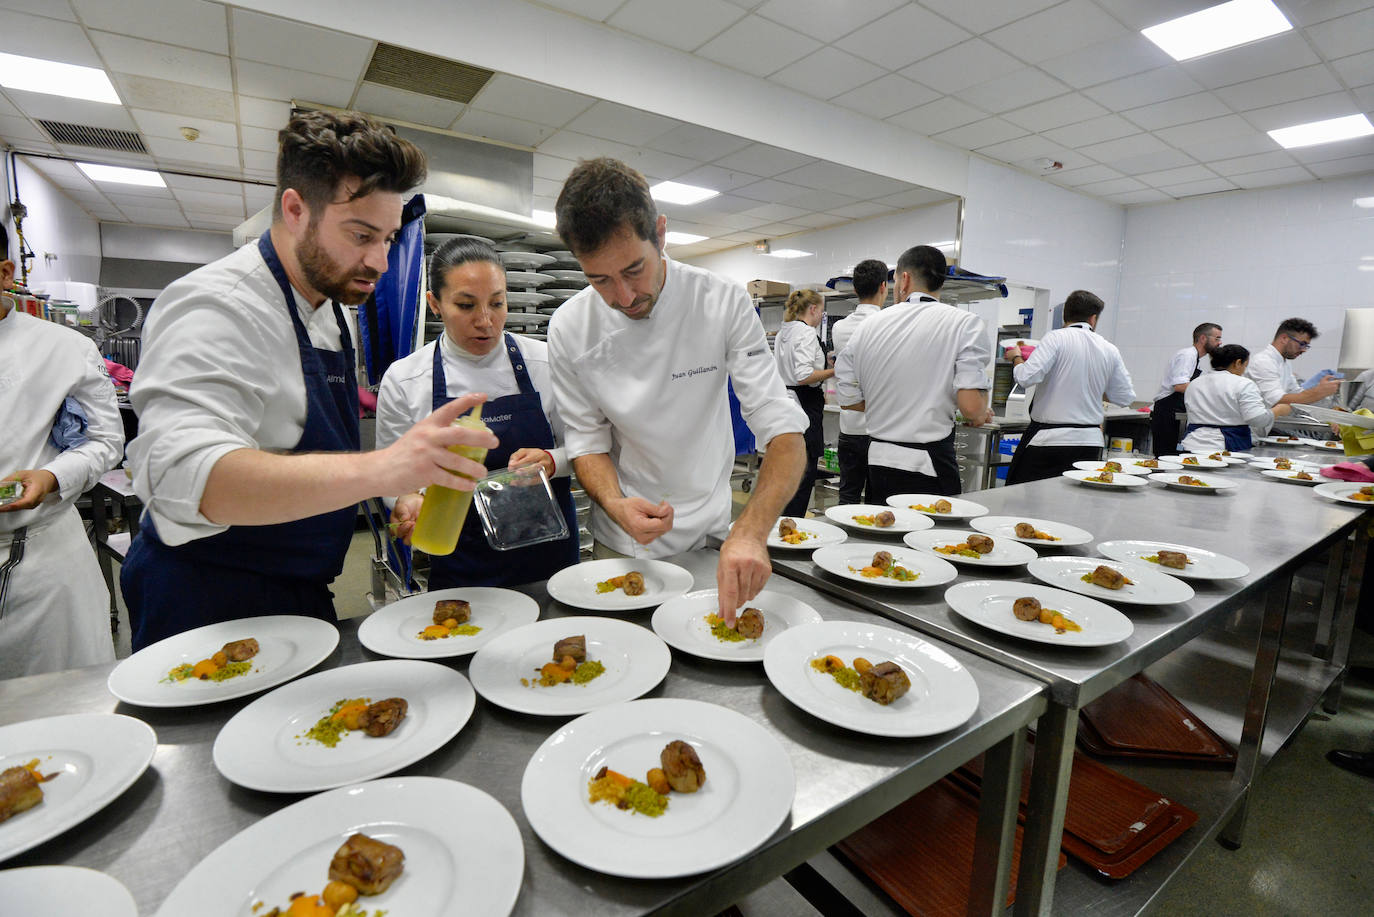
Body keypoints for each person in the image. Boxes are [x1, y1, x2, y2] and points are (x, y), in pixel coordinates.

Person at [121, 111, 498, 650]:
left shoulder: (332, 302)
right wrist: (380, 466)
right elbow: (188, 480)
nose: (381, 262)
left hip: (302, 590)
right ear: (296, 209)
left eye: (390, 238)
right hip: (207, 599)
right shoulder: (217, 306)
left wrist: (397, 489)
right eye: (361, 235)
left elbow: (314, 449)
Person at [547, 157, 807, 626]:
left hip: (713, 532)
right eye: (599, 279)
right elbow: (586, 441)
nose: (623, 296)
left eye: (633, 270)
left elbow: (782, 429)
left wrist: (751, 530)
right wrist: (615, 503)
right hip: (623, 543)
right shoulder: (569, 327)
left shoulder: (721, 301)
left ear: (661, 233)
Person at [376, 237, 578, 586]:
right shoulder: (406, 379)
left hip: (549, 554)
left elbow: (583, 449)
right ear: (434, 304)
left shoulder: (544, 361)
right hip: (461, 556)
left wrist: (551, 460)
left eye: (497, 303)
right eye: (466, 305)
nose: (486, 321)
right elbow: (392, 474)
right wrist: (406, 500)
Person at [0, 225, 123, 678]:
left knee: (62, 708)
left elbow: (105, 440)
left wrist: (52, 477)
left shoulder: (63, 349)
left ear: (5, 273)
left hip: (40, 560)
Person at [834, 244, 992, 502]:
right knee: (935, 540)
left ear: (904, 279)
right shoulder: (965, 323)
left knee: (882, 536)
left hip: (879, 461)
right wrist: (981, 410)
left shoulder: (868, 326)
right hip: (930, 463)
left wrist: (890, 407)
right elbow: (971, 408)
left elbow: (848, 399)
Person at [1002, 290, 1135, 484]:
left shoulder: (1055, 338)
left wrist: (1016, 357)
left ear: (1065, 314)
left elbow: (1025, 377)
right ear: (1093, 319)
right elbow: (1124, 398)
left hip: (1049, 441)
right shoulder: (1109, 349)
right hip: (1090, 443)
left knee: (1027, 502)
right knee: (1074, 504)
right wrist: (1092, 386)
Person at [829, 259, 886, 505]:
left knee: (848, 494)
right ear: (884, 286)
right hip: (880, 427)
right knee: (878, 499)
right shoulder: (888, 324)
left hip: (850, 426)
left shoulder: (839, 328)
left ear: (855, 289)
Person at [773, 288, 833, 517]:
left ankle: (782, 522)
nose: (821, 317)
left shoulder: (783, 332)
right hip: (805, 406)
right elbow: (804, 375)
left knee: (789, 469)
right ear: (813, 309)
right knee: (805, 472)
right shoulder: (807, 333)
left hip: (787, 401)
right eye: (822, 311)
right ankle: (794, 524)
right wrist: (831, 371)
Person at [1179, 344, 1291, 452]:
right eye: (1245, 366)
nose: (1244, 371)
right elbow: (1257, 419)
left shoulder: (1194, 384)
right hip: (1225, 448)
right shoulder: (1243, 384)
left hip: (1191, 443)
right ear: (1238, 363)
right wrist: (1278, 410)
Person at [1150, 322, 1222, 456]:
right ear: (1203, 338)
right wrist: (1208, 394)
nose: (1219, 343)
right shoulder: (1187, 355)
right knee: (1166, 458)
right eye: (1216, 338)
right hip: (1167, 411)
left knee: (1173, 456)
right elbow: (1180, 386)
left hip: (1173, 411)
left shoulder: (1195, 358)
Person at [1246, 318, 1341, 410]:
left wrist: (1326, 405)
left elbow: (1296, 392)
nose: (1304, 350)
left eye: (1306, 346)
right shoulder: (1263, 362)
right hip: (1251, 425)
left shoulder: (1285, 362)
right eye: (1302, 344)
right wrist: (1319, 392)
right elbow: (1277, 400)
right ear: (1284, 338)